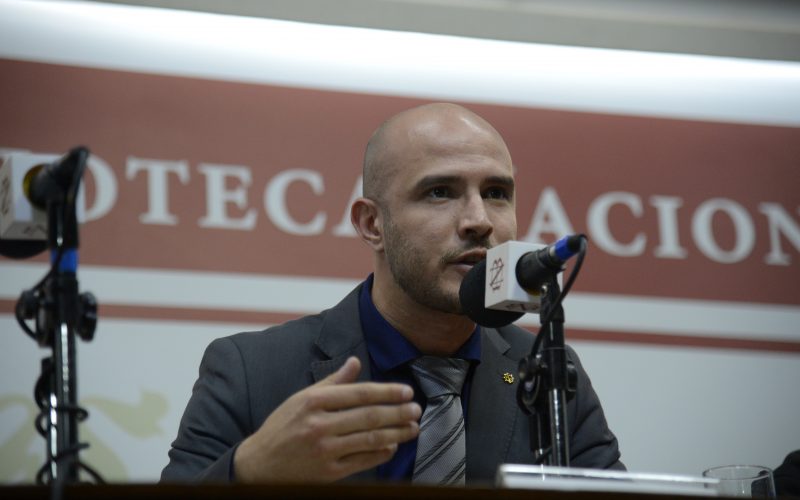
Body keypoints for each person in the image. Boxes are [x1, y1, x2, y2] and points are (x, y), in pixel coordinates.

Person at [161, 102, 623, 485]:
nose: (479, 220)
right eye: (440, 192)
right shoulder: (250, 370)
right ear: (371, 224)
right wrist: (250, 471)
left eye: (496, 193)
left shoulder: (548, 372)